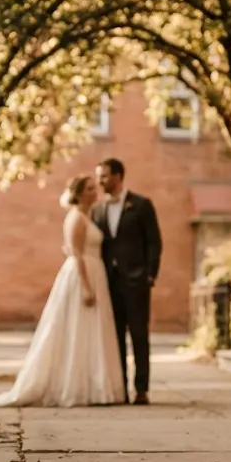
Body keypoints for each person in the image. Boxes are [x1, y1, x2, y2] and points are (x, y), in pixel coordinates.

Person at [0, 175, 126, 408]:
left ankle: (96, 386)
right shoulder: (76, 219)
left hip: (95, 272)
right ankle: (73, 386)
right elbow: (76, 254)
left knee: (91, 331)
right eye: (90, 188)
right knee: (76, 329)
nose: (96, 191)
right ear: (80, 193)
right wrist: (86, 287)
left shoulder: (88, 217)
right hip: (82, 276)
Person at [92, 158, 162, 405]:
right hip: (108, 283)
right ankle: (119, 387)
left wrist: (150, 274)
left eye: (104, 176)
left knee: (139, 335)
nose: (100, 181)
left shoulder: (141, 205)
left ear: (119, 176)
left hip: (136, 281)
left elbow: (154, 242)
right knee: (115, 337)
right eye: (99, 176)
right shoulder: (96, 210)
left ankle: (141, 388)